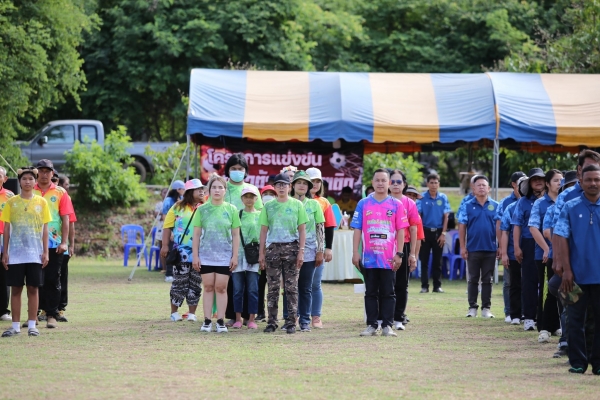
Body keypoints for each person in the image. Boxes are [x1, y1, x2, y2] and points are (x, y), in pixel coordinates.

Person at [553, 164, 600, 374]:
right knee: (574, 321)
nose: (593, 183)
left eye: (597, 179)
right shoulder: (570, 207)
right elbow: (561, 236)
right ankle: (578, 362)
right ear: (581, 182)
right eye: (588, 179)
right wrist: (567, 270)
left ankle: (598, 364)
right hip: (574, 276)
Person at [351, 169, 408, 337]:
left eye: (384, 180)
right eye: (377, 180)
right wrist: (355, 252)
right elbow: (357, 229)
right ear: (372, 182)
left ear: (389, 183)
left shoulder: (397, 205)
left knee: (388, 292)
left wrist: (399, 254)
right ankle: (371, 325)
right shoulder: (363, 204)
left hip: (388, 258)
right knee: (370, 292)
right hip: (369, 258)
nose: (381, 183)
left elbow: (401, 231)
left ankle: (387, 326)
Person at [1, 167, 51, 337]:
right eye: (24, 179)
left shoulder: (41, 202)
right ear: (19, 182)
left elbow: (45, 229)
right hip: (15, 253)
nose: (27, 182)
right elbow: (7, 228)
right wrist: (5, 252)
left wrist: (46, 252)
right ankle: (15, 326)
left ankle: (32, 325)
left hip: (35, 253)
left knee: (33, 288)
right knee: (16, 289)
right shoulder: (11, 202)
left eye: (30, 179)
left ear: (35, 181)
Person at [258, 173, 308, 334]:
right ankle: (272, 322)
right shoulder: (268, 206)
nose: (281, 187)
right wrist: (261, 253)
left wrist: (301, 251)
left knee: (291, 287)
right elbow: (263, 230)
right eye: (278, 184)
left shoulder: (297, 205)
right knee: (273, 287)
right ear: (274, 187)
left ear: (290, 187)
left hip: (292, 248)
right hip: (273, 248)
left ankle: (291, 322)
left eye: (284, 184)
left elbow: (302, 230)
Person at [192, 175, 241, 333]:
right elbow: (196, 234)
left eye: (220, 187)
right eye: (214, 187)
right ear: (209, 190)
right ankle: (207, 321)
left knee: (221, 288)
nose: (217, 190)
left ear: (225, 190)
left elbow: (235, 235)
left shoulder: (231, 209)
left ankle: (220, 321)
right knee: (208, 287)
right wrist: (195, 256)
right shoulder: (202, 210)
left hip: (224, 256)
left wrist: (234, 256)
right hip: (206, 255)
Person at [223, 153, 264, 326]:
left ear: (245, 170)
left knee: (252, 284)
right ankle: (234, 316)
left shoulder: (251, 189)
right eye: (233, 168)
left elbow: (261, 215)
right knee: (233, 283)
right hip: (227, 240)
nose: (237, 171)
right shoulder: (222, 188)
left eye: (240, 169)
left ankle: (250, 317)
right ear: (228, 170)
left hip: (250, 245)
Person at [33, 159, 73, 329]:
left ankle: (52, 314)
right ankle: (33, 314)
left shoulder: (61, 192)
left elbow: (66, 219)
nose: (44, 174)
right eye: (41, 171)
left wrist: (64, 242)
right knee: (34, 279)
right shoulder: (29, 190)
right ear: (37, 173)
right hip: (33, 242)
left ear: (52, 173)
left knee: (53, 278)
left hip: (54, 243)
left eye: (47, 171)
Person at [161, 179, 204, 323]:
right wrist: (165, 245)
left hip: (200, 253)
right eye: (198, 189)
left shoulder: (205, 207)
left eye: (202, 189)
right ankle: (174, 312)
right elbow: (167, 226)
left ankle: (192, 313)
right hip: (181, 253)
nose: (202, 191)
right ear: (190, 192)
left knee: (196, 283)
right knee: (179, 283)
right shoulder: (177, 207)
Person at [288, 170, 325, 332]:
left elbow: (320, 228)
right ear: (293, 185)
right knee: (290, 287)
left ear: (309, 187)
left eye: (305, 183)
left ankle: (304, 320)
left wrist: (320, 250)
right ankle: (290, 319)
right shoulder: (286, 203)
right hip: (288, 250)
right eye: (299, 183)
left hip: (309, 251)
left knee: (306, 287)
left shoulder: (314, 204)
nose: (302, 186)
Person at [457, 175, 498, 318]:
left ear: (489, 188)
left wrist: (500, 246)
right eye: (478, 185)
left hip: (490, 248)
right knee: (473, 279)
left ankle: (486, 308)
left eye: (484, 185)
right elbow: (462, 227)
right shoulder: (467, 206)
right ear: (473, 189)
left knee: (487, 279)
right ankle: (472, 308)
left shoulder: (496, 206)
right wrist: (463, 247)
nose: (481, 187)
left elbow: (500, 228)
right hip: (472, 248)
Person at [529, 169, 562, 342]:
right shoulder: (541, 203)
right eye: (556, 180)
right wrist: (546, 248)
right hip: (544, 253)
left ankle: (556, 325)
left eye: (561, 180)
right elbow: (534, 227)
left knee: (560, 290)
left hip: (562, 253)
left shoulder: (565, 201)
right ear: (548, 184)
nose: (559, 183)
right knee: (547, 290)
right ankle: (544, 326)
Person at [512, 168, 547, 331]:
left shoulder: (552, 199)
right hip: (528, 243)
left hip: (549, 242)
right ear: (530, 183)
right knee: (529, 281)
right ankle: (529, 318)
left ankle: (546, 318)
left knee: (548, 282)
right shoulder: (523, 202)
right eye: (534, 179)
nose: (538, 181)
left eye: (541, 178)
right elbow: (517, 225)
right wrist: (517, 247)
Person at [388, 170, 421, 331]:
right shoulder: (381, 201)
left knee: (401, 284)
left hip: (404, 246)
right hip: (385, 247)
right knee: (385, 283)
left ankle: (398, 318)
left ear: (404, 184)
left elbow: (414, 229)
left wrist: (412, 254)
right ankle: (384, 317)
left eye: (398, 182)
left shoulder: (410, 203)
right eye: (392, 181)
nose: (395, 185)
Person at [306, 167, 336, 329]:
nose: (316, 184)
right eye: (312, 181)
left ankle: (316, 316)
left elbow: (329, 226)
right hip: (298, 248)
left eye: (318, 181)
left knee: (315, 284)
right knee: (297, 285)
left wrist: (328, 248)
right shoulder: (296, 201)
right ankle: (297, 316)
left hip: (318, 248)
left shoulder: (324, 202)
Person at [495, 171, 526, 322]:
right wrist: (502, 248)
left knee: (527, 282)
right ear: (514, 185)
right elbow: (501, 227)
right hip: (511, 249)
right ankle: (510, 312)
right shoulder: (506, 203)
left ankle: (526, 312)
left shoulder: (533, 202)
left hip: (528, 249)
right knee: (510, 282)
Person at [231, 186, 262, 330]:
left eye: (252, 196)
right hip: (238, 255)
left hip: (254, 256)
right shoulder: (237, 214)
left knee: (253, 289)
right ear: (242, 199)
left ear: (256, 198)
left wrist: (263, 255)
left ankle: (251, 319)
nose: (249, 199)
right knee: (237, 289)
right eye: (246, 197)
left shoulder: (261, 215)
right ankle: (238, 319)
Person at [418, 173, 451, 293]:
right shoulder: (422, 197)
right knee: (424, 260)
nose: (433, 185)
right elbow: (418, 216)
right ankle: (424, 286)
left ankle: (437, 286)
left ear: (439, 184)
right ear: (427, 184)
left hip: (438, 232)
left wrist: (443, 233)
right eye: (431, 183)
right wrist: (420, 233)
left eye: (436, 183)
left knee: (438, 261)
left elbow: (446, 216)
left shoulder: (443, 197)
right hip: (425, 231)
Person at [56, 175, 76, 322]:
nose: (68, 187)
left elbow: (71, 223)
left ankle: (61, 308)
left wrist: (71, 244)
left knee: (62, 277)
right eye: (66, 184)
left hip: (62, 246)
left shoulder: (66, 198)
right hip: (45, 245)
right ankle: (44, 309)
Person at [256, 185, 277, 321]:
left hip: (274, 252)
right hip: (259, 253)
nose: (268, 196)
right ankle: (260, 312)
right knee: (259, 284)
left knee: (273, 286)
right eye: (265, 194)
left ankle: (273, 314)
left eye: (271, 194)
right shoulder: (256, 212)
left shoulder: (277, 211)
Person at [162, 180, 186, 282]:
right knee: (171, 251)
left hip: (181, 231)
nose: (184, 191)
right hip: (171, 230)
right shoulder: (168, 201)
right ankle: (168, 274)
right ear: (178, 189)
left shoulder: (182, 199)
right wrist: (170, 231)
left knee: (181, 252)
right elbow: (165, 216)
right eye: (183, 189)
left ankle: (179, 273)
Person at [0, 166, 15, 322]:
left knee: (4, 272)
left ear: (5, 179)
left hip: (4, 237)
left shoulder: (10, 196)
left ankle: (3, 310)